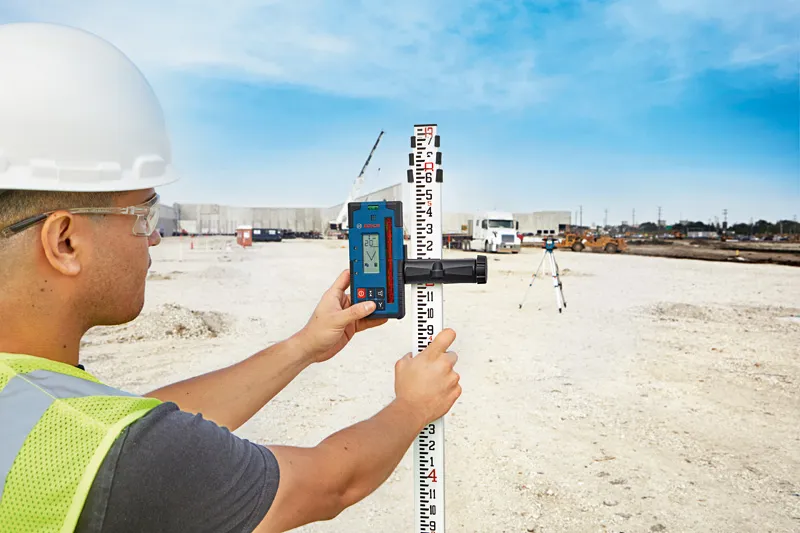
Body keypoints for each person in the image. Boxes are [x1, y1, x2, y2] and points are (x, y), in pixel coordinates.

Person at [0, 22, 462, 533]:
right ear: (64, 242)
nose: (154, 239)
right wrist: (411, 407)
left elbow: (140, 418)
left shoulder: (41, 408)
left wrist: (304, 346)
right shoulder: (117, 456)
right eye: (143, 216)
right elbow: (332, 484)